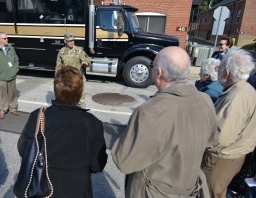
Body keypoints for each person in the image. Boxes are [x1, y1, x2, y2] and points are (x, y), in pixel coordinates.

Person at [111, 46, 217, 197]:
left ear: (158, 72)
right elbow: (211, 140)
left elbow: (124, 161)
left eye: (153, 66)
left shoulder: (150, 110)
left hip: (154, 191)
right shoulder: (206, 100)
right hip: (189, 187)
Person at [17, 66, 108, 198]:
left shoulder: (38, 116)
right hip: (78, 190)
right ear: (80, 92)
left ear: (56, 89)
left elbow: (23, 149)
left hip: (42, 187)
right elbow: (97, 165)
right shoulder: (93, 123)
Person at [201, 47, 256, 198]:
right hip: (231, 156)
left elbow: (221, 137)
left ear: (227, 73)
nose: (217, 70)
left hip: (220, 159)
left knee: (209, 193)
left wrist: (198, 141)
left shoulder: (236, 98)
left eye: (220, 67)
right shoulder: (245, 89)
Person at [55, 32, 91, 109]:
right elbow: (58, 66)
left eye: (73, 40)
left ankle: (82, 114)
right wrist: (57, 79)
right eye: (70, 41)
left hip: (77, 79)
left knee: (81, 100)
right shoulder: (61, 52)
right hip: (66, 80)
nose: (72, 42)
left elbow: (87, 60)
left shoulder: (79, 50)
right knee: (66, 99)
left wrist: (86, 62)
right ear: (65, 41)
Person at [0, 31, 20, 119]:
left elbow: (16, 60)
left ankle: (13, 108)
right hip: (1, 76)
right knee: (3, 94)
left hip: (11, 76)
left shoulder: (10, 48)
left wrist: (15, 70)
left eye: (7, 38)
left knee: (12, 93)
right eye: (5, 38)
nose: (7, 39)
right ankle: (3, 110)